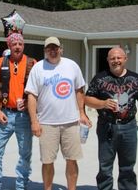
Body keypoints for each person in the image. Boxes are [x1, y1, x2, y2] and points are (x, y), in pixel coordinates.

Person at [25, 36, 92, 190]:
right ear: (45, 51)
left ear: (61, 49)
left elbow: (79, 90)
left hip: (70, 122)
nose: (53, 51)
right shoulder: (38, 68)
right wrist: (34, 121)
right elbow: (31, 96)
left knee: (72, 159)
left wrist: (82, 113)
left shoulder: (72, 65)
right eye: (49, 48)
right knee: (47, 161)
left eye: (55, 48)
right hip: (47, 123)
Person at [85, 47, 138, 190]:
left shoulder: (135, 78)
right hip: (106, 127)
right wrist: (103, 103)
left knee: (128, 167)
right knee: (105, 167)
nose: (116, 61)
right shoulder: (100, 78)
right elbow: (87, 99)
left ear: (125, 59)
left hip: (129, 126)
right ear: (108, 60)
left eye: (119, 58)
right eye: (112, 58)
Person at [0, 30, 36, 190]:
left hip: (24, 117)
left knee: (25, 154)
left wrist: (30, 106)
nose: (17, 47)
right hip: (5, 114)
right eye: (14, 44)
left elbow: (38, 90)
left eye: (20, 44)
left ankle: (22, 184)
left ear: (23, 46)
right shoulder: (0, 62)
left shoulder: (32, 63)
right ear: (9, 45)